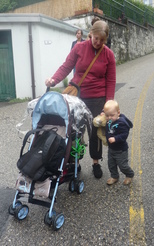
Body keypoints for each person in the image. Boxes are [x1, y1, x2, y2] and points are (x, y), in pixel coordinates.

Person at [45, 20, 116, 179]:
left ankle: (95, 162)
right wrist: (53, 80)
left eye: (102, 40)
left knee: (95, 132)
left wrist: (108, 104)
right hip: (77, 97)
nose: (98, 43)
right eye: (96, 38)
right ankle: (74, 163)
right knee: (75, 131)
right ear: (90, 33)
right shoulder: (79, 48)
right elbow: (66, 67)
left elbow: (111, 80)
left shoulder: (108, 55)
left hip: (98, 99)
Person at [103, 100, 134, 185]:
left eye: (112, 115)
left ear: (118, 113)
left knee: (123, 165)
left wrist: (116, 138)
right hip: (111, 149)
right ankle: (114, 176)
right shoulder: (109, 121)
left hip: (121, 150)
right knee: (111, 164)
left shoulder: (121, 123)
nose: (109, 117)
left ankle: (129, 174)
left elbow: (124, 134)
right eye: (107, 115)